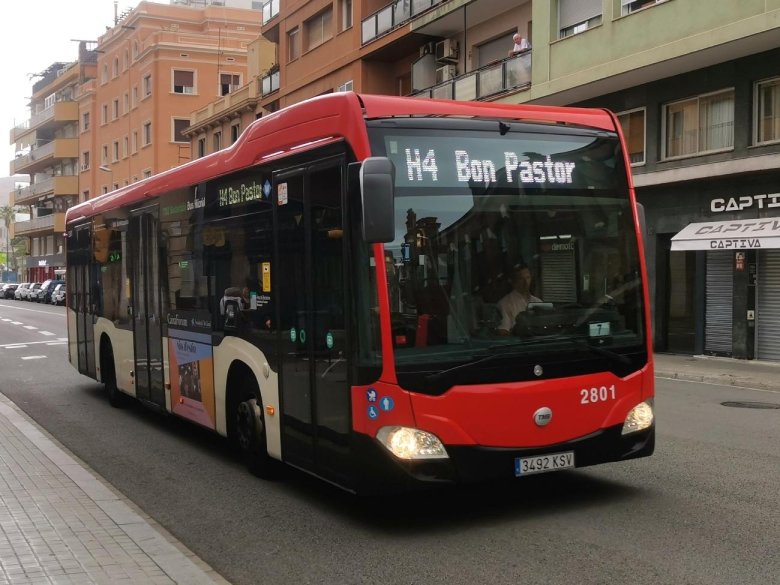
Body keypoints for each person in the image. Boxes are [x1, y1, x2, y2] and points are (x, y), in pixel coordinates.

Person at [496, 265, 541, 335]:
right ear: (514, 282)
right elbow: (503, 332)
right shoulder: (505, 303)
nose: (526, 282)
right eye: (521, 279)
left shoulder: (537, 301)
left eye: (528, 277)